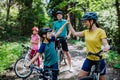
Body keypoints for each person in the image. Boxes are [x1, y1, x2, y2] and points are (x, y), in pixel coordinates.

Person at [68, 12, 110, 80]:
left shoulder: (101, 31)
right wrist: (69, 23)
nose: (85, 24)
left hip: (99, 58)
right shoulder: (86, 32)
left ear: (92, 21)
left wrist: (107, 47)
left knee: (102, 79)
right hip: (89, 58)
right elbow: (74, 33)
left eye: (86, 22)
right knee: (80, 77)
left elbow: (106, 44)